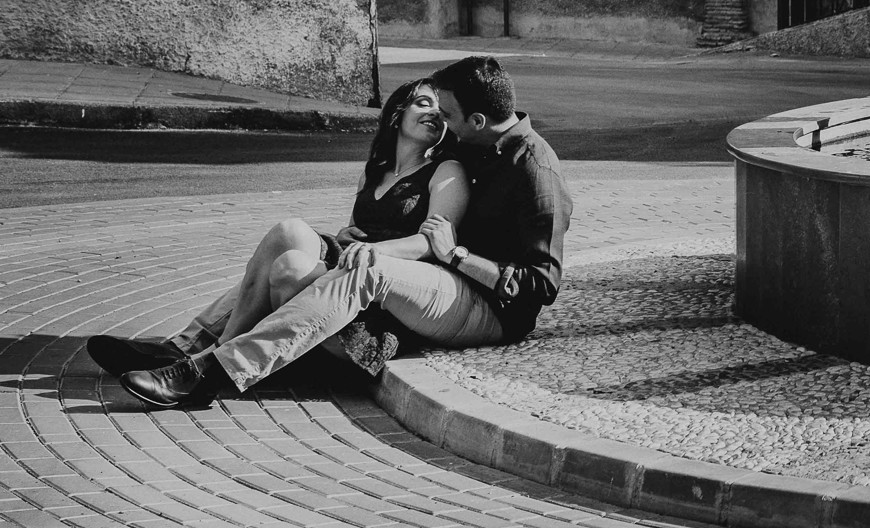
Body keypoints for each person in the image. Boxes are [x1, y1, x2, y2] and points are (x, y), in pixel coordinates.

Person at [100, 55, 573, 411]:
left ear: (475, 120)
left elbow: (542, 286)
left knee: (371, 269)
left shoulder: (535, 171)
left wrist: (457, 256)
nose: (441, 125)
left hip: (489, 308)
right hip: (444, 281)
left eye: (447, 115)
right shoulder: (477, 145)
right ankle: (187, 347)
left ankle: (214, 372)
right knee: (293, 239)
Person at [85, 77, 470, 383]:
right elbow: (359, 228)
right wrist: (347, 234)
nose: (435, 112)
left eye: (442, 109)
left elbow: (431, 242)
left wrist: (379, 250)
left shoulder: (445, 172)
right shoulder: (375, 172)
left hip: (371, 301)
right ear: (396, 114)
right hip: (349, 269)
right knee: (289, 232)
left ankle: (205, 358)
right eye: (424, 102)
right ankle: (187, 347)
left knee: (288, 269)